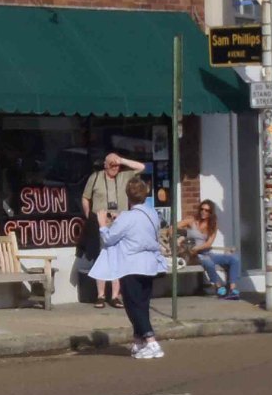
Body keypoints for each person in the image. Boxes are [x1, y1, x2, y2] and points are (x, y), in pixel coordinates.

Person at [90, 177, 166, 358]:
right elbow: (136, 229)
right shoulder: (152, 214)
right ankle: (139, 342)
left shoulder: (127, 217)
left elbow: (109, 238)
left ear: (128, 196)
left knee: (133, 305)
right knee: (143, 303)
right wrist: (118, 220)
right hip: (149, 265)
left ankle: (151, 341)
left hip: (131, 265)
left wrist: (102, 225)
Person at [80, 151, 146, 308]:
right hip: (101, 222)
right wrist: (89, 215)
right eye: (111, 164)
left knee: (118, 259)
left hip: (119, 222)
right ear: (104, 165)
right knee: (101, 259)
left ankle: (115, 296)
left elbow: (142, 167)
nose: (114, 168)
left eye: (117, 165)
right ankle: (100, 295)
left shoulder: (124, 176)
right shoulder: (95, 177)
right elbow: (85, 197)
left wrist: (121, 160)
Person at [181, 200, 243, 299]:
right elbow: (175, 227)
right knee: (208, 262)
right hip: (194, 255)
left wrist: (197, 247)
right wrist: (179, 238)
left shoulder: (212, 225)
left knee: (234, 259)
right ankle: (218, 287)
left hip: (207, 252)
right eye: (202, 209)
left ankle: (232, 289)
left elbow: (209, 244)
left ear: (210, 213)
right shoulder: (191, 220)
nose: (203, 212)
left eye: (207, 210)